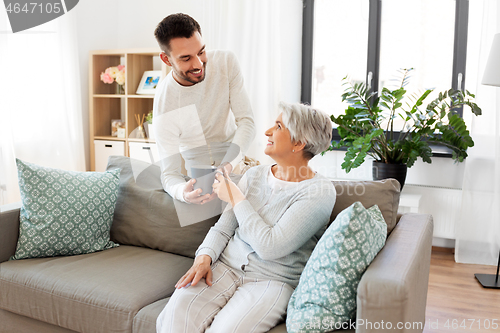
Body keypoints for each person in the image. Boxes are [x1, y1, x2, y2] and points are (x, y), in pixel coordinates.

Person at [156, 102, 336, 333]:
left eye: (278, 126)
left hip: (273, 281)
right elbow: (223, 228)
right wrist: (204, 257)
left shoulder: (319, 192)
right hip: (224, 269)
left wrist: (236, 197)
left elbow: (270, 247)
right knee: (174, 316)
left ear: (299, 143)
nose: (268, 132)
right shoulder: (254, 175)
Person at [153, 13, 255, 205]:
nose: (198, 64)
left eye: (201, 52)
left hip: (235, 163)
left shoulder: (226, 62)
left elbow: (247, 122)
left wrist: (228, 165)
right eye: (186, 58)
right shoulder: (165, 102)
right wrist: (183, 193)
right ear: (166, 60)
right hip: (200, 179)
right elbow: (169, 175)